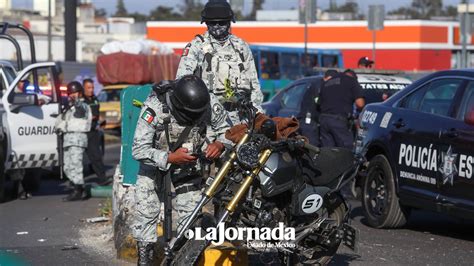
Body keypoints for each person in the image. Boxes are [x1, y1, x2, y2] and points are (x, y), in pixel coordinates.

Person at [131, 75, 229, 265]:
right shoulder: (155, 107)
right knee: (146, 211)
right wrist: (169, 157)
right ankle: (145, 259)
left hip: (189, 166)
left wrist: (220, 144)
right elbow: (138, 150)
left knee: (191, 217)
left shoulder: (208, 103)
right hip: (154, 164)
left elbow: (228, 131)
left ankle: (181, 258)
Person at [176, 0, 264, 125]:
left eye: (221, 22)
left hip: (240, 118)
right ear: (206, 23)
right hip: (208, 119)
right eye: (212, 23)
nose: (217, 26)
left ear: (229, 22)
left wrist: (257, 114)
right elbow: (182, 82)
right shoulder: (197, 46)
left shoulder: (240, 46)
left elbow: (254, 83)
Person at [55, 81, 92, 201]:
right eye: (70, 93)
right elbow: (63, 121)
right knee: (67, 167)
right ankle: (79, 187)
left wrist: (75, 101)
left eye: (74, 92)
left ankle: (79, 190)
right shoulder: (70, 108)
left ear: (80, 93)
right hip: (68, 140)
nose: (72, 95)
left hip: (77, 139)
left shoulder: (83, 106)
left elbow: (80, 109)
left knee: (76, 165)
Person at [318, 70, 365, 149]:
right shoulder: (351, 81)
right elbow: (360, 104)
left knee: (328, 151)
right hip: (338, 121)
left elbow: (319, 102)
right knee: (346, 150)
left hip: (324, 120)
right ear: (354, 77)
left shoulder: (327, 82)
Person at [83, 78, 108, 185]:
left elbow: (96, 115)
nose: (91, 90)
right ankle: (76, 185)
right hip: (82, 132)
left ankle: (102, 179)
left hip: (93, 131)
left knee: (96, 156)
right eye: (89, 88)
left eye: (92, 87)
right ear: (83, 88)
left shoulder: (95, 99)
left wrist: (99, 122)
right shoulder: (81, 101)